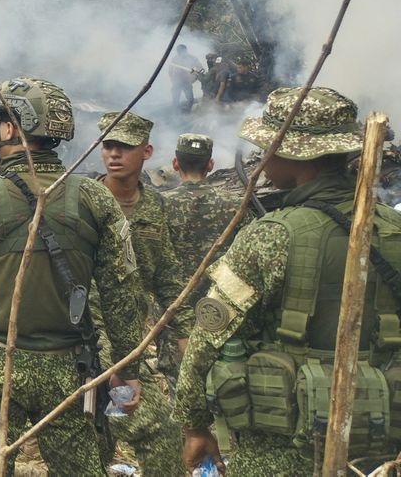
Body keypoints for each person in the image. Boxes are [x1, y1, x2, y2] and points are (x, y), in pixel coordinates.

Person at [177, 86, 401, 474]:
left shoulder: (270, 235)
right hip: (379, 447)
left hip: (279, 449)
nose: (262, 157)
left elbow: (208, 337)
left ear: (295, 154)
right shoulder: (394, 228)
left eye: (268, 147)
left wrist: (194, 425)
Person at [0, 77, 145, 475]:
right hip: (70, 367)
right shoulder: (95, 197)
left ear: (10, 128)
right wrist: (128, 367)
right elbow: (123, 292)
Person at [95, 111, 188, 474]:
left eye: (124, 146)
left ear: (146, 152)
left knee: (99, 436)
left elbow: (166, 273)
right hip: (91, 338)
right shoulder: (85, 200)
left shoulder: (155, 206)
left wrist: (184, 331)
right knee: (157, 430)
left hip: (129, 340)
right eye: (108, 146)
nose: (114, 154)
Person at [163, 133, 246, 294]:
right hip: (217, 298)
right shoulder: (236, 205)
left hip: (171, 296)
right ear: (210, 165)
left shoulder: (159, 203)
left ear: (175, 163)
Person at [169, 44, 203, 112]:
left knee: (190, 99)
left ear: (185, 50)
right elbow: (170, 69)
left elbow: (199, 68)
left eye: (180, 50)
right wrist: (172, 78)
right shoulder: (175, 58)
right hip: (177, 81)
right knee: (175, 99)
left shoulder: (192, 58)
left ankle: (188, 111)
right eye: (178, 51)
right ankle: (175, 113)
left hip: (187, 81)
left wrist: (194, 78)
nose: (179, 52)